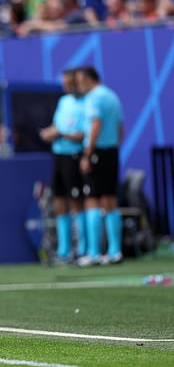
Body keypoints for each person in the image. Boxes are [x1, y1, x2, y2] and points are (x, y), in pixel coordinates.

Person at [76, 66, 124, 266]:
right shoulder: (112, 96)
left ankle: (93, 252)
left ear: (88, 79)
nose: (78, 85)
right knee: (110, 200)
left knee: (92, 200)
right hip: (111, 151)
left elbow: (95, 125)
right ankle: (114, 251)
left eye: (80, 81)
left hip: (97, 151)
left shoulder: (94, 98)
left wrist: (88, 153)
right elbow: (120, 129)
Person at [39, 69, 87, 263]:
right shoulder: (63, 102)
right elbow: (56, 126)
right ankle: (64, 250)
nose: (65, 86)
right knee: (59, 201)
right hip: (58, 155)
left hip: (74, 155)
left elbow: (84, 134)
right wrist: (49, 133)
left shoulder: (86, 103)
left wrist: (61, 135)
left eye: (68, 82)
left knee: (76, 202)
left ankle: (82, 249)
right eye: (64, 82)